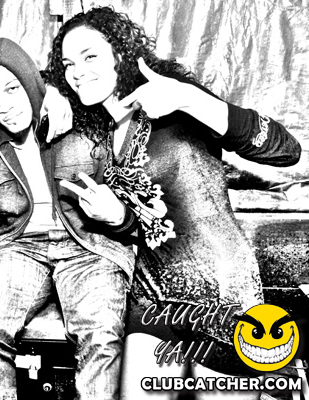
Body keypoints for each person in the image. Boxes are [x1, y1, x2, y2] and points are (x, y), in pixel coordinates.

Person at [44, 6, 302, 399]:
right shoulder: (101, 133)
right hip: (152, 301)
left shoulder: (175, 102)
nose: (77, 72)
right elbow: (156, 219)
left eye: (90, 56)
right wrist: (118, 218)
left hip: (221, 298)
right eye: (68, 64)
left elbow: (286, 150)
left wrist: (190, 99)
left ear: (121, 54)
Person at [0, 37, 140, 400]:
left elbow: (136, 190)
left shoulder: (82, 113)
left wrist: (117, 216)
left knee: (100, 332)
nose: (4, 107)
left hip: (88, 243)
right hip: (20, 247)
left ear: (32, 82)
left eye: (12, 89)